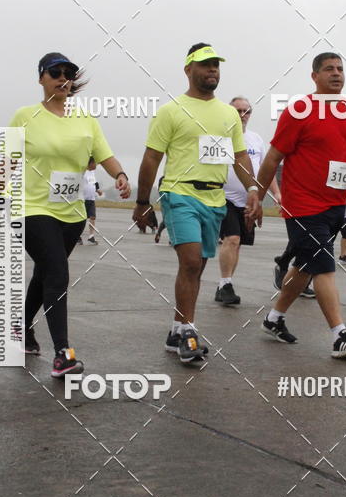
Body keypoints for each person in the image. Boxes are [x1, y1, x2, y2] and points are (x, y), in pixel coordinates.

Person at [0, 52, 130, 377]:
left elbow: (104, 154)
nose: (63, 78)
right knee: (58, 274)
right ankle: (62, 353)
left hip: (72, 213)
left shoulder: (86, 119)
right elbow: (6, 164)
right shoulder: (25, 116)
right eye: (56, 72)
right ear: (41, 78)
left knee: (45, 273)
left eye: (68, 73)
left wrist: (120, 175)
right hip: (32, 208)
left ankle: (20, 326)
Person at [256, 52, 346, 358]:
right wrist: (256, 195)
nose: (336, 74)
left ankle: (274, 318)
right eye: (329, 69)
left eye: (340, 69)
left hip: (336, 205)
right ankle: (340, 335)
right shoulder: (298, 111)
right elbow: (272, 158)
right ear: (314, 76)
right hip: (302, 206)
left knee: (305, 267)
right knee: (323, 266)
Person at [132, 43, 261, 363]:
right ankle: (189, 330)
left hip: (215, 199)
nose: (212, 70)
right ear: (188, 69)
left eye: (216, 64)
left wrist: (254, 190)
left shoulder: (228, 114)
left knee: (198, 266)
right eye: (205, 65)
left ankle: (176, 329)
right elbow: (151, 157)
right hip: (180, 194)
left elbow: (240, 157)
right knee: (190, 262)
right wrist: (142, 201)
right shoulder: (171, 111)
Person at [215, 96, 280, 306]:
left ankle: (223, 284)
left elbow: (265, 170)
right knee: (231, 239)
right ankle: (226, 285)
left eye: (247, 111)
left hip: (248, 201)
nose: (242, 115)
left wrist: (277, 194)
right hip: (224, 198)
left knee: (237, 244)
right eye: (238, 111)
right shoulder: (219, 136)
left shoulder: (256, 139)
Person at [79, 156, 103, 245]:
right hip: (82, 199)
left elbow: (94, 182)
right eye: (95, 163)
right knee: (81, 219)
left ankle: (91, 236)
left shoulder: (92, 172)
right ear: (90, 163)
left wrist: (98, 190)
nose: (96, 165)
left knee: (92, 217)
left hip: (91, 198)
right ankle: (78, 236)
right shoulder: (83, 170)